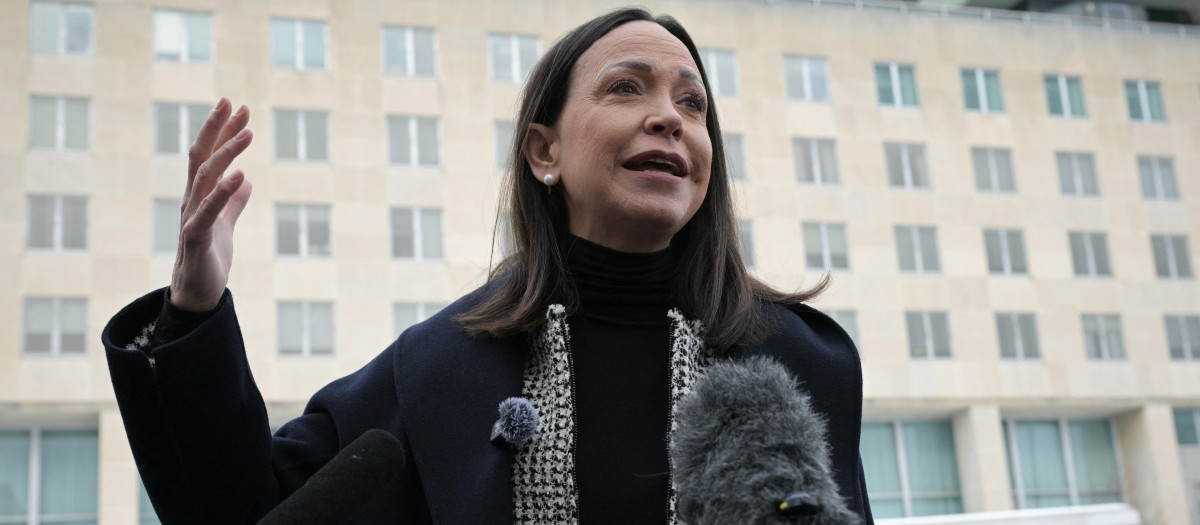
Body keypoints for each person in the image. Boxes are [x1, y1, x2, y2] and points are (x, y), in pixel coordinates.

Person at [103, 8, 873, 524]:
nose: (671, 115)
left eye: (694, 103)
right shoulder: (440, 365)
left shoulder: (803, 360)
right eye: (626, 87)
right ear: (544, 152)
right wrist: (192, 310)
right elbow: (238, 507)